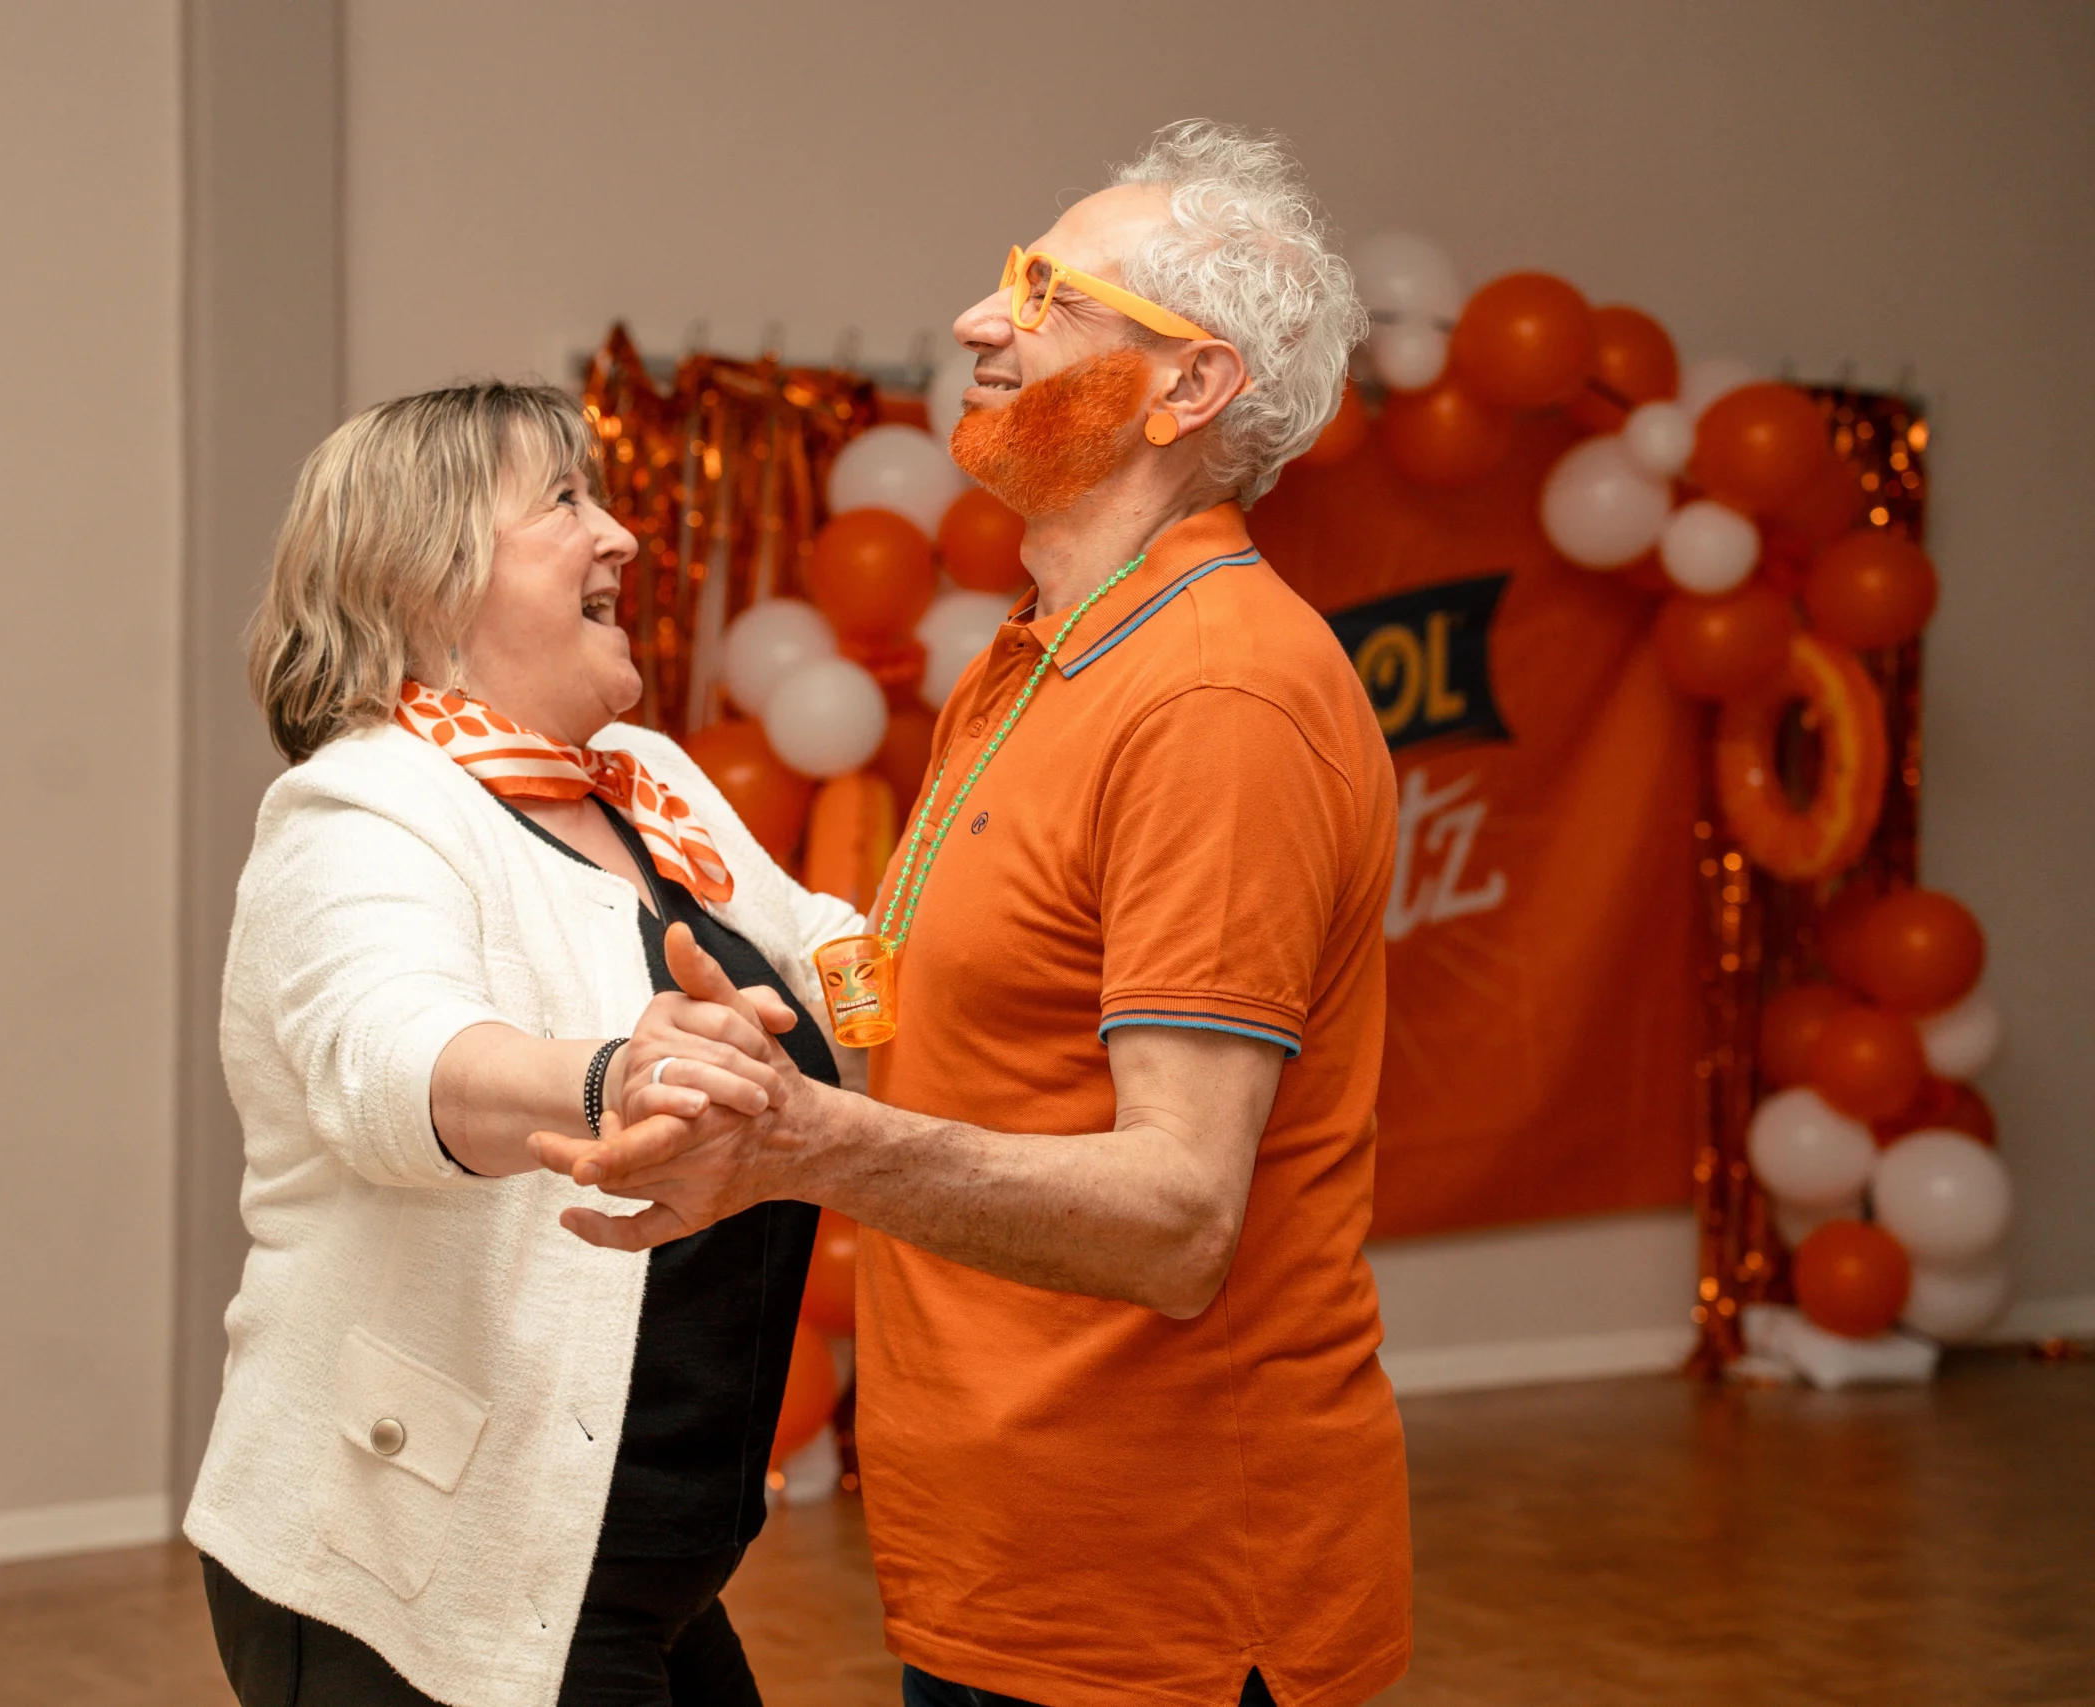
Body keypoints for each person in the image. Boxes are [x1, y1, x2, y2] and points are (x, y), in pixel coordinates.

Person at [537, 121, 1411, 1707]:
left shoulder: (1217, 694)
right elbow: (977, 1046)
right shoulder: (1036, 654)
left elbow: (1178, 1218)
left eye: (1046, 292)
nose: (978, 318)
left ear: (1188, 385)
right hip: (1004, 1566)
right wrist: (766, 1047)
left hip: (1164, 1603)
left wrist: (810, 1144)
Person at [184, 380, 865, 1707]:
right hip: (419, 1572)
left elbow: (831, 958)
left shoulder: (650, 779)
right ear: (425, 573)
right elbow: (391, 1063)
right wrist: (612, 1075)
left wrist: (1017, 942)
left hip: (638, 1559)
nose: (621, 536)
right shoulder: (359, 807)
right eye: (562, 501)